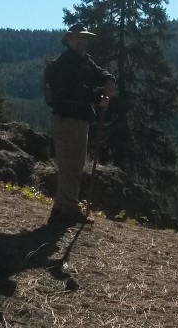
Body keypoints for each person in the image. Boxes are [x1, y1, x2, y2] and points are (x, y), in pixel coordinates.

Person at [43, 23, 117, 227]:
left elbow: (98, 72)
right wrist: (97, 97)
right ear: (69, 39)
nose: (83, 41)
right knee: (71, 165)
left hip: (76, 119)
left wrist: (109, 80)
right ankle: (68, 210)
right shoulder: (66, 63)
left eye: (85, 38)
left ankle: (61, 206)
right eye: (79, 37)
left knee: (72, 165)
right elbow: (71, 91)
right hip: (68, 119)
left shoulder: (82, 60)